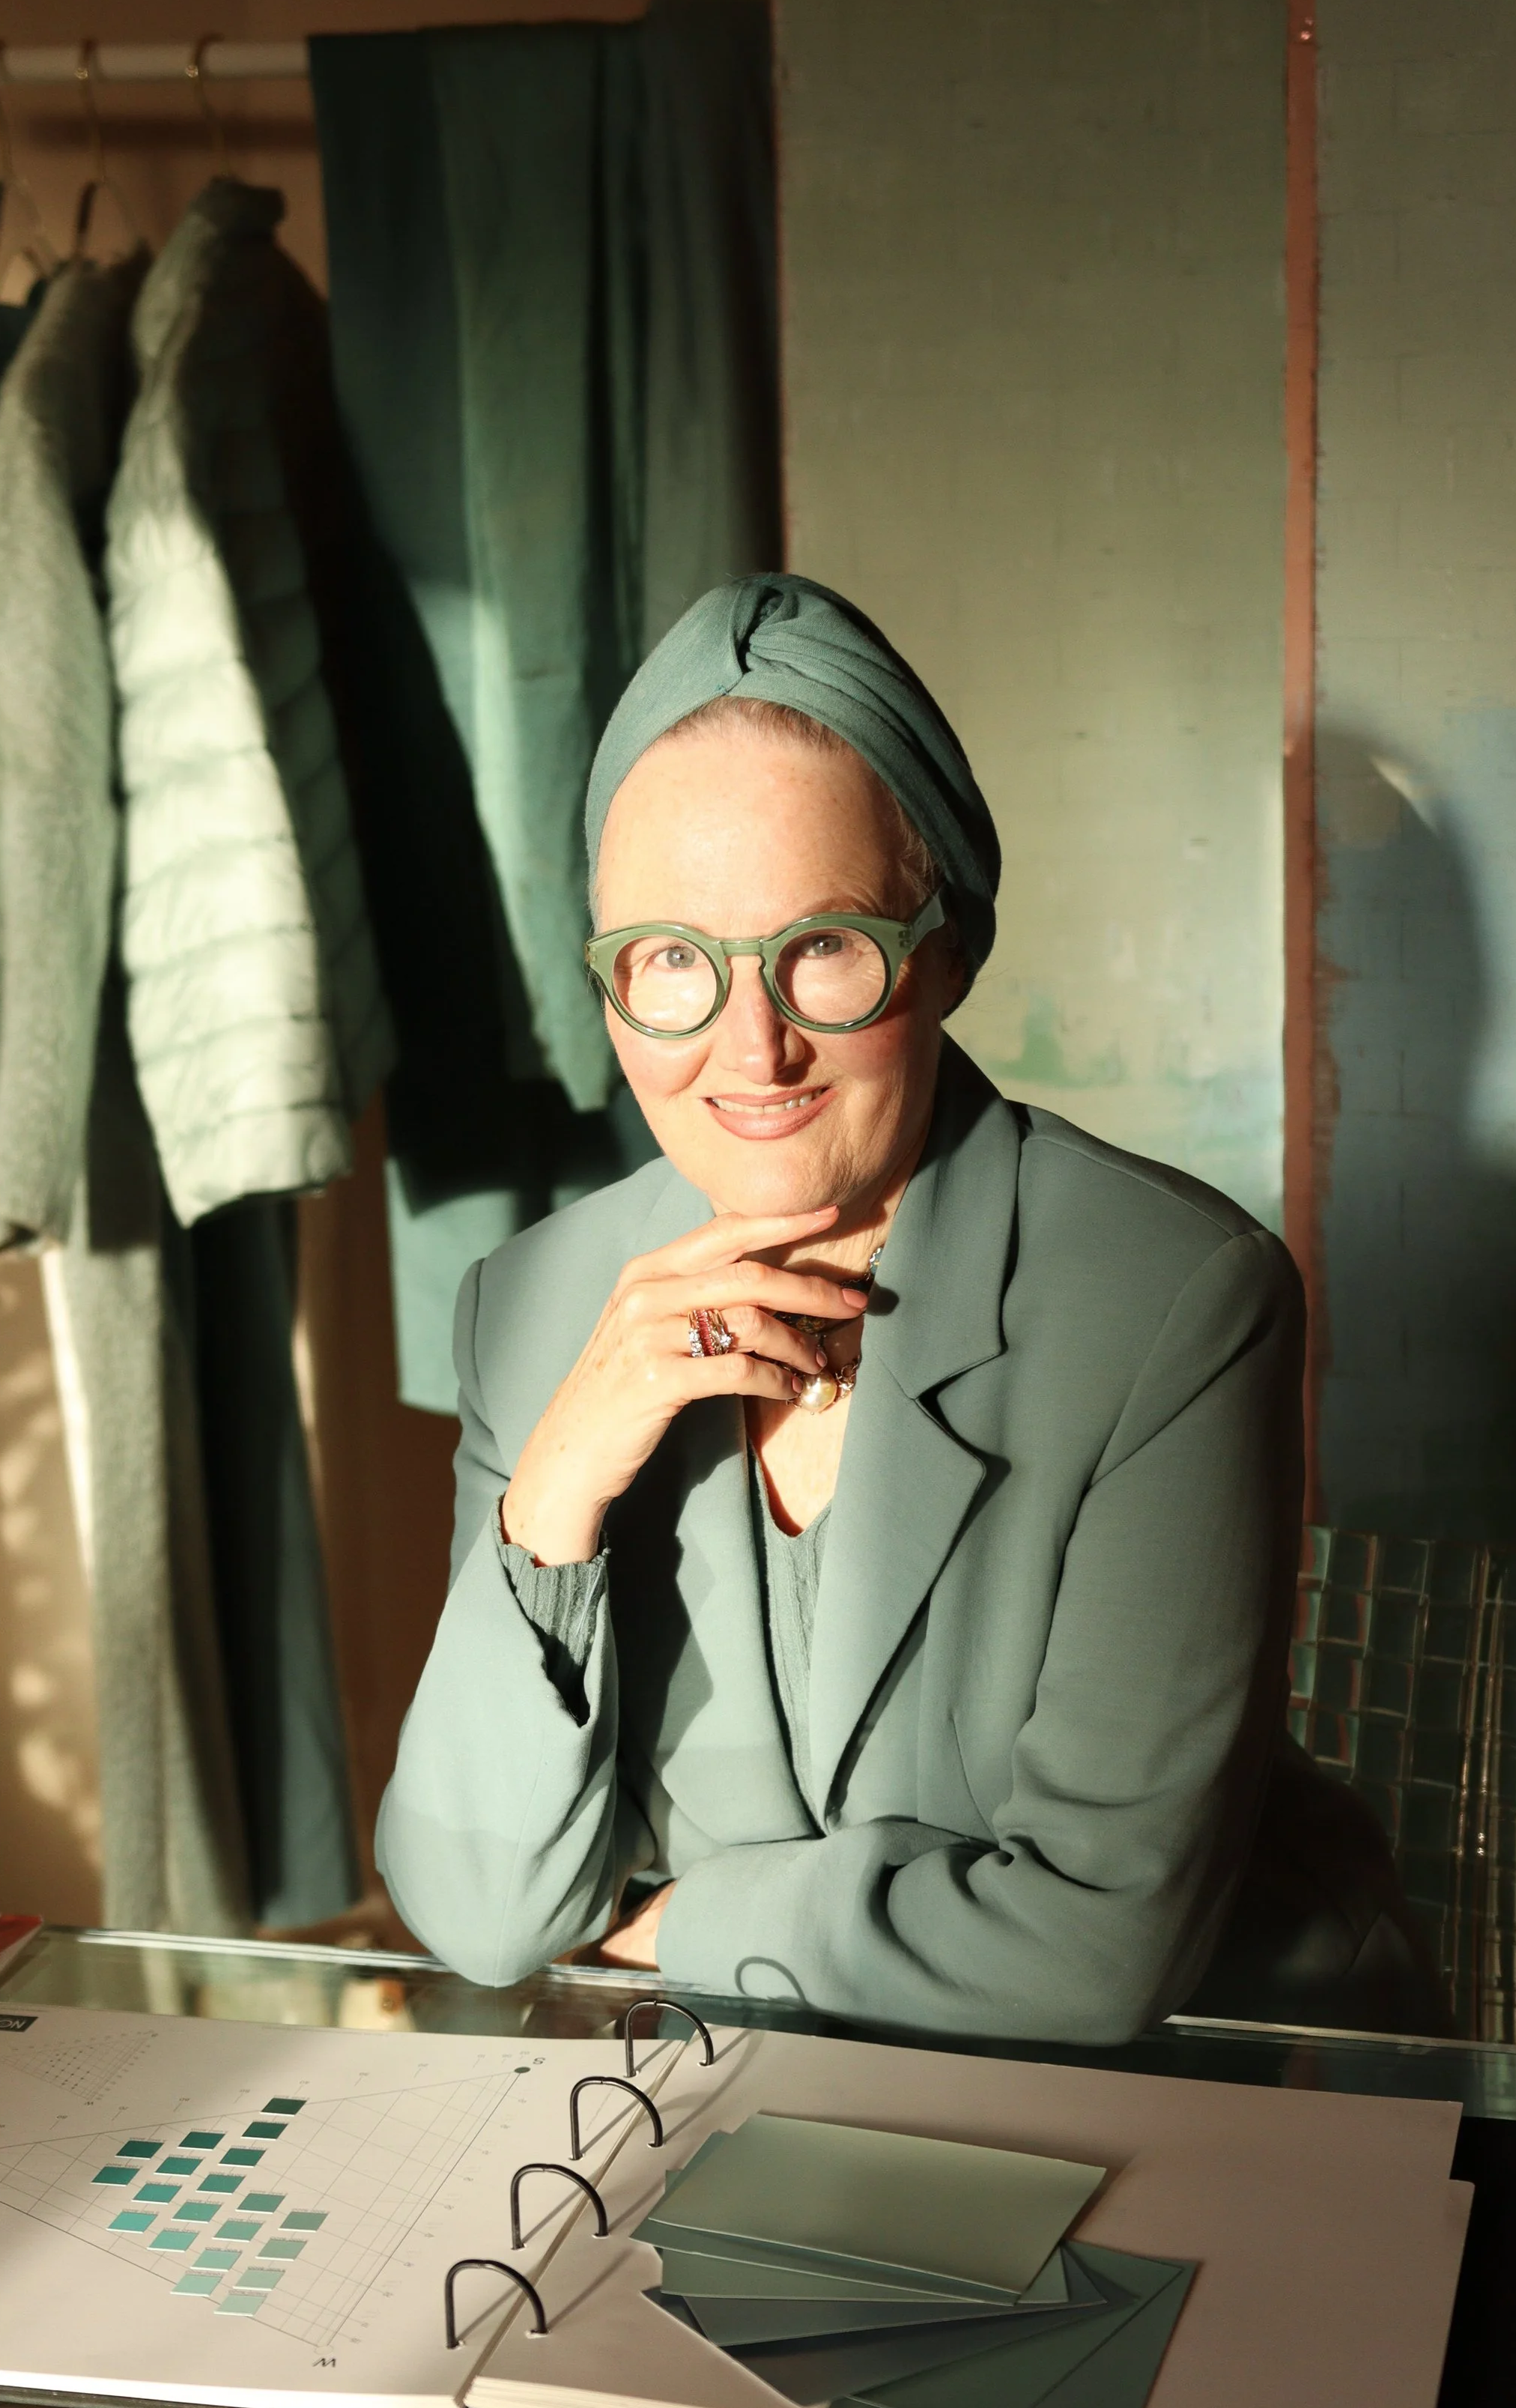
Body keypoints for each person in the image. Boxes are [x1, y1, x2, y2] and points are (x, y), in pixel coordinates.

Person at [378, 574, 1441, 2041]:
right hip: (754, 2099)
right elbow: (480, 1912)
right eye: (672, 960)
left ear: (944, 948)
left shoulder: (1173, 1302)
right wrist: (554, 1489)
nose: (750, 1046)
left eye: (821, 946)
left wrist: (691, 1925)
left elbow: (1095, 1951)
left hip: (1194, 2092)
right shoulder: (535, 1302)